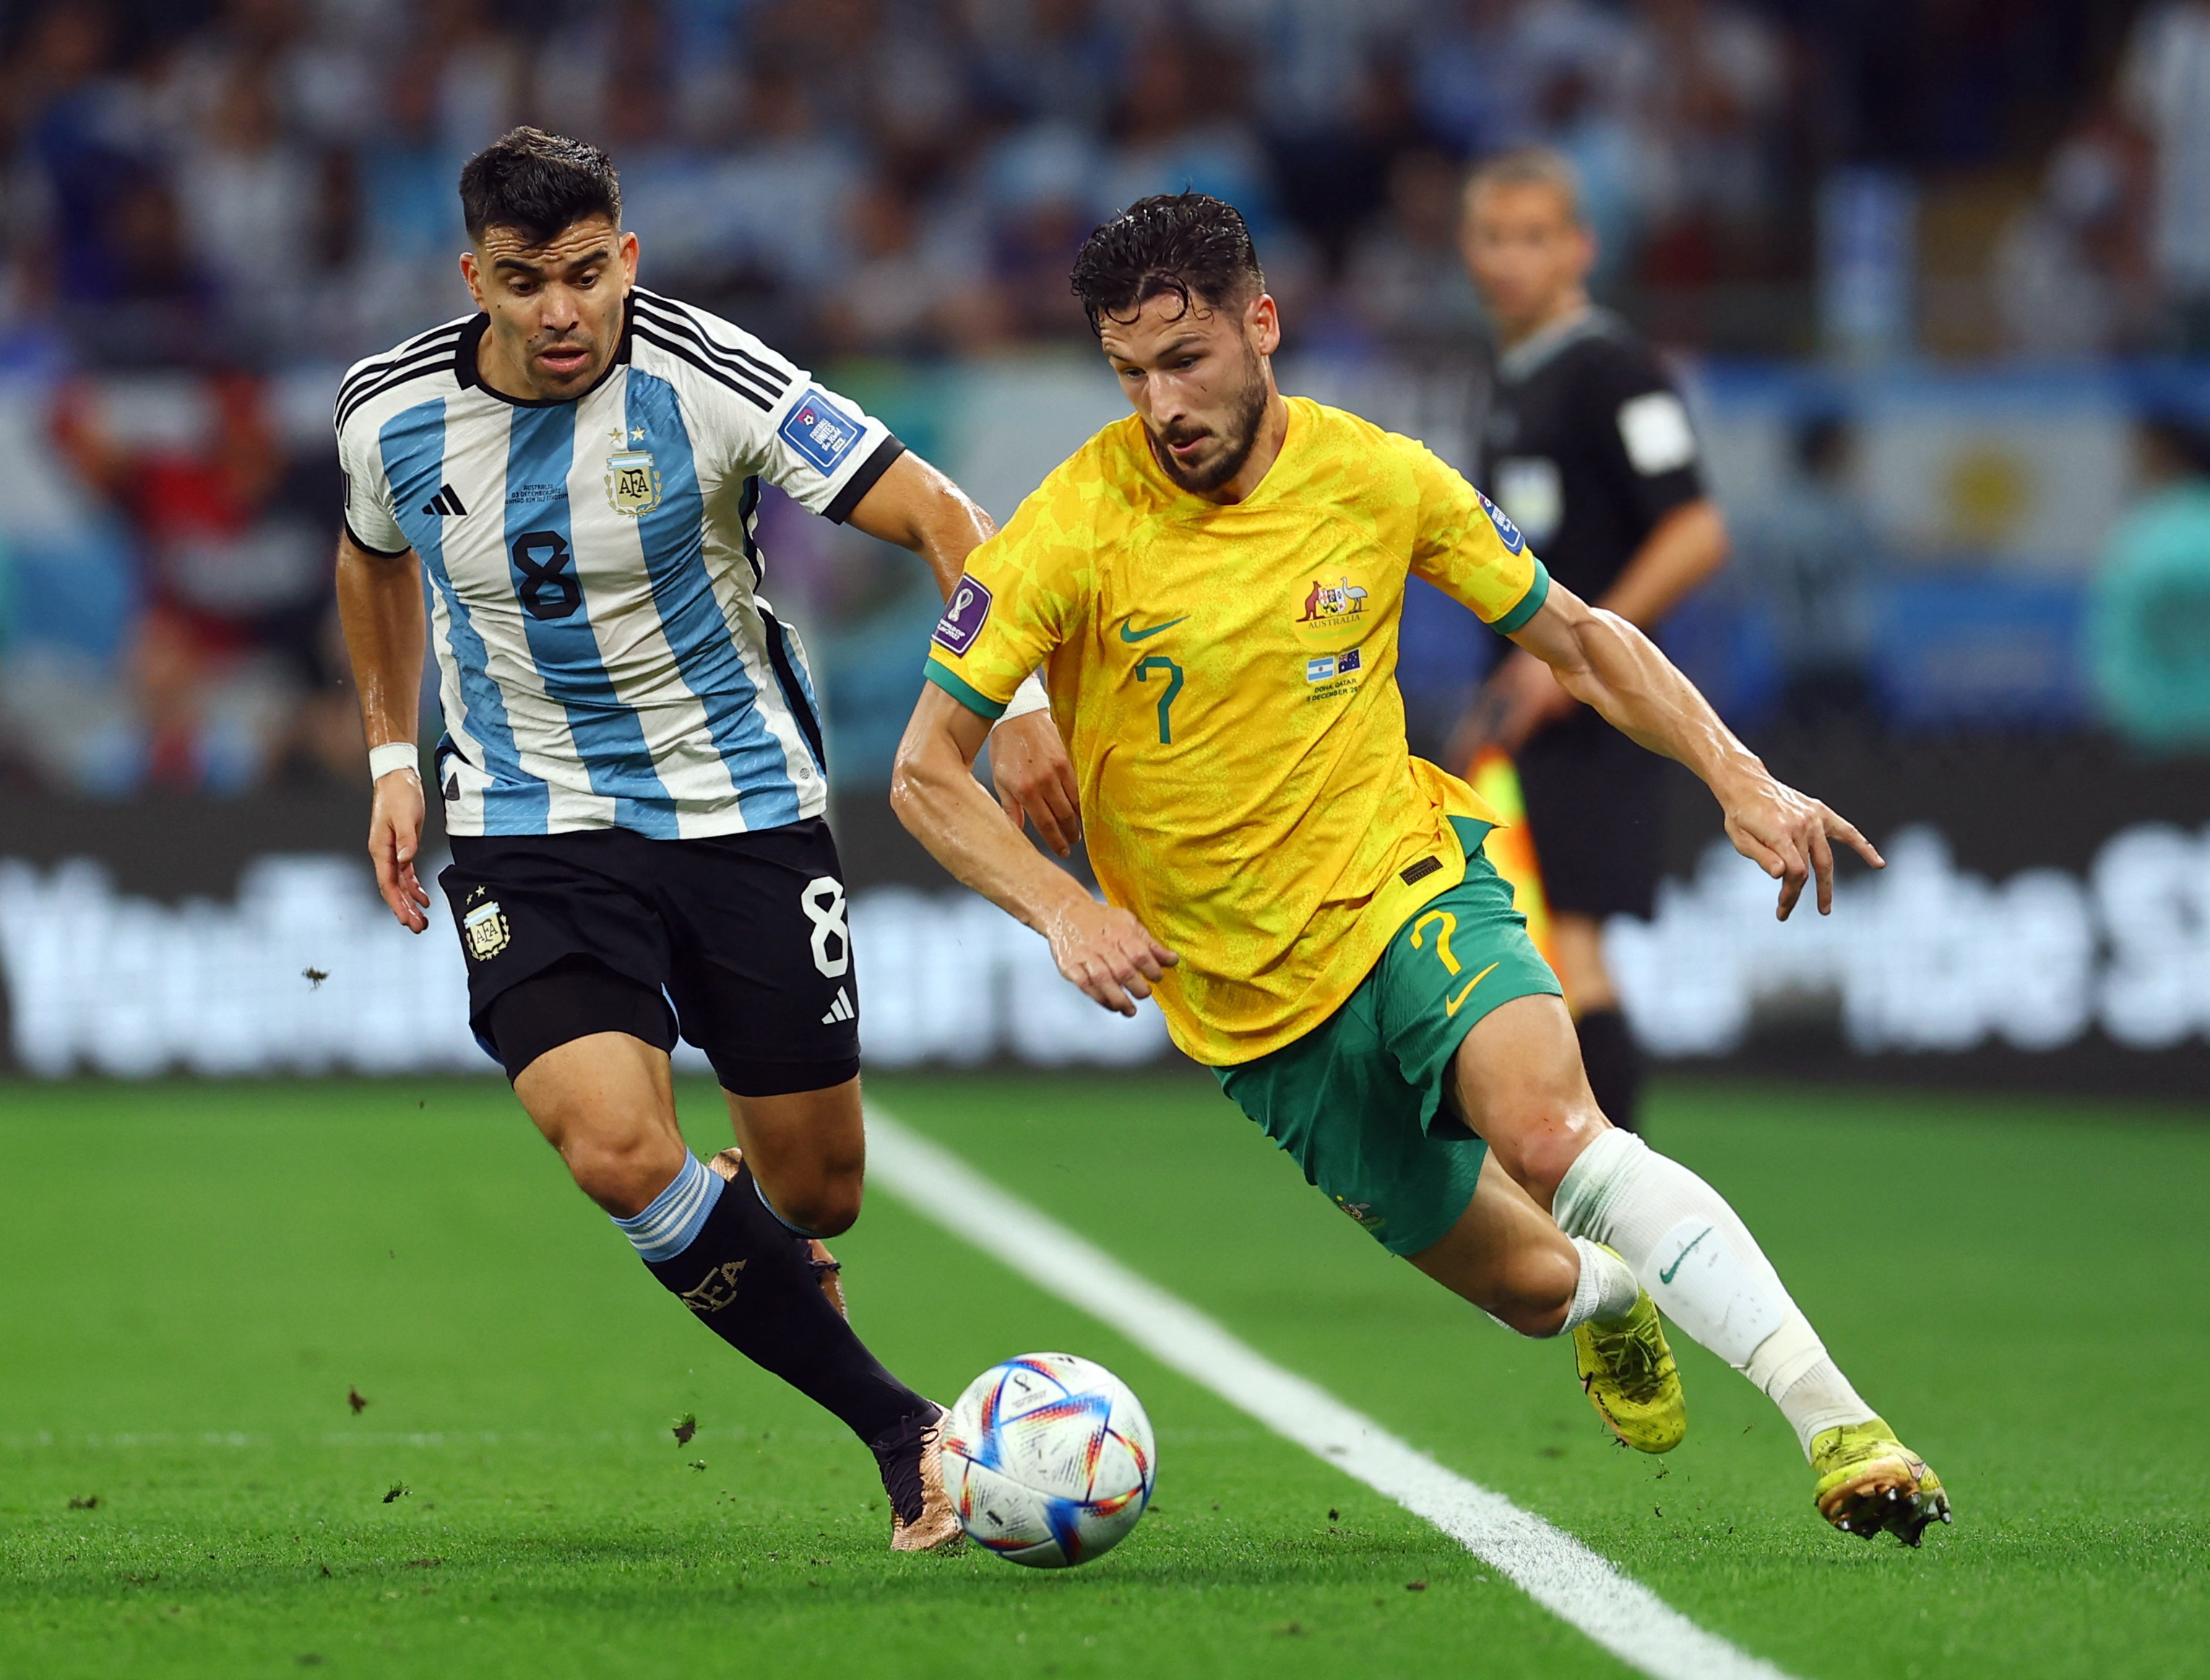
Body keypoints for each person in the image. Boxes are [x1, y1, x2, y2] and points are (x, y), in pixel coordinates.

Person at [892, 192, 1949, 1545]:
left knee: (1557, 1132)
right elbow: (927, 768)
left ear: (1260, 326)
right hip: (1245, 1008)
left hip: (1404, 883)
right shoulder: (1070, 527)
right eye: (1131, 373)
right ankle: (1605, 1298)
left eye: (1188, 360)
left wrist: (1740, 776)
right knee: (1526, 1284)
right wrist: (1066, 911)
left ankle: (1843, 1427)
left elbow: (1576, 636)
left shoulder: (1378, 477)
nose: (1163, 406)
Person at [333, 127, 1080, 1551]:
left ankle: (757, 1221)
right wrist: (390, 748)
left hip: (739, 806)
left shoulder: (709, 376)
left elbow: (940, 509)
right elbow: (370, 550)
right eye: (520, 281)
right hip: (527, 823)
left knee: (818, 1188)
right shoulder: (386, 411)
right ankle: (899, 1426)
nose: (559, 313)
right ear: (470, 276)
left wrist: (1022, 697)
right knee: (618, 1148)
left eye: (582, 275)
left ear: (626, 256)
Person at [1452, 146, 1730, 1135]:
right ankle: (1586, 1192)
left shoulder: (1613, 370)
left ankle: (1616, 1193)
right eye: (1493, 236)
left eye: (1535, 237)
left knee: (1566, 950)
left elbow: (1695, 530)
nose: (1512, 259)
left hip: (1596, 709)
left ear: (1581, 248)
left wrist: (1579, 655)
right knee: (1527, 948)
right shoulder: (1514, 376)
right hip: (1528, 709)